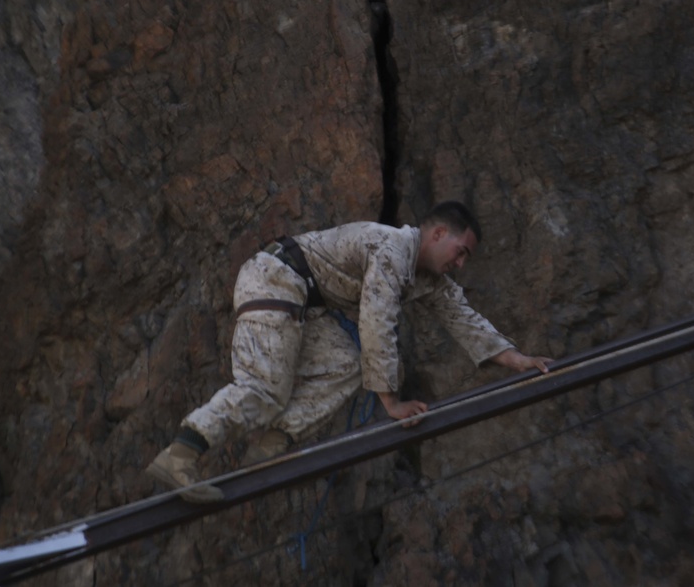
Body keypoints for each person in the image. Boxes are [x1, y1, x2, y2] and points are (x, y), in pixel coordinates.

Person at [146, 201, 551, 502]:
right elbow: (377, 322)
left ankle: (271, 444)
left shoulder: (429, 280)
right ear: (439, 234)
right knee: (266, 386)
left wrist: (518, 360)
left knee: (346, 363)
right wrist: (390, 403)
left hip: (305, 300)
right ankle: (182, 453)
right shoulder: (392, 249)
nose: (461, 263)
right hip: (274, 278)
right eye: (461, 251)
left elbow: (464, 318)